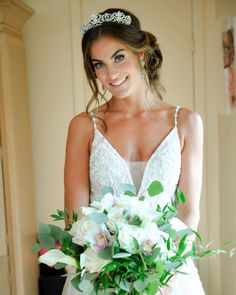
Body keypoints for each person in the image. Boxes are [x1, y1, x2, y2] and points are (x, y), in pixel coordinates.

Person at [62, 8, 204, 295]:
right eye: (98, 64)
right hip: (100, 278)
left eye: (119, 57)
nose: (110, 74)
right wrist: (114, 272)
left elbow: (187, 211)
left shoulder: (187, 123)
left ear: (141, 53)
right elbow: (74, 218)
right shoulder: (83, 127)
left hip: (168, 275)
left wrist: (153, 269)